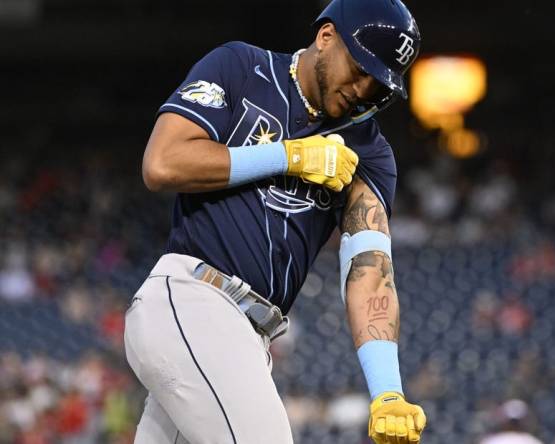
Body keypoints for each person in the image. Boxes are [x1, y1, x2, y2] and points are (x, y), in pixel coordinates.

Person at [122, 0, 426, 442]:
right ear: (326, 37)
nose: (363, 89)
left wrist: (387, 392)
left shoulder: (370, 152)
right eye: (360, 69)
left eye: (379, 86)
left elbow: (371, 271)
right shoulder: (242, 67)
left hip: (250, 338)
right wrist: (285, 155)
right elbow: (163, 164)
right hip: (194, 300)